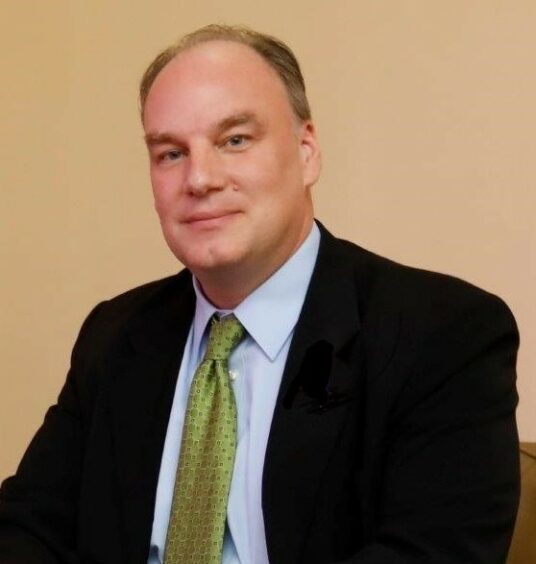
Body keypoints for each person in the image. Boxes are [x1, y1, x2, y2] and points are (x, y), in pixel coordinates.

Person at [0, 24, 520, 564]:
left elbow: (433, 552)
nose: (199, 178)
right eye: (170, 153)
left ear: (307, 151)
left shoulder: (445, 333)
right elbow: (29, 528)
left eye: (235, 140)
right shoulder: (115, 335)